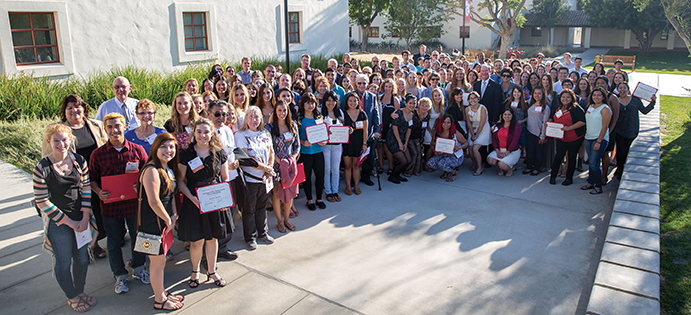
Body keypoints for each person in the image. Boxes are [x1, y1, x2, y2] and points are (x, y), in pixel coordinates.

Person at [34, 124, 96, 312]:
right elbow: (42, 201)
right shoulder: (42, 168)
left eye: (64, 140)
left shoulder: (79, 161)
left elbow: (85, 189)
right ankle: (71, 295)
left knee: (82, 259)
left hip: (80, 218)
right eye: (56, 141)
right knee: (63, 261)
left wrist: (85, 217)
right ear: (49, 142)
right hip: (59, 223)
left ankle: (79, 291)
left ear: (70, 140)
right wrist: (69, 222)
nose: (61, 144)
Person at [41, 94, 108, 259]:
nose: (74, 110)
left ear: (83, 108)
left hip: (97, 177)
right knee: (83, 211)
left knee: (99, 212)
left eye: (77, 106)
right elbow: (46, 157)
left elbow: (106, 146)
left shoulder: (96, 125)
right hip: (74, 180)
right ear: (64, 111)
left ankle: (96, 239)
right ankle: (91, 246)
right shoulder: (57, 130)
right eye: (69, 107)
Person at [89, 113, 149, 294]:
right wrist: (99, 192)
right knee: (114, 243)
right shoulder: (98, 154)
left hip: (133, 205)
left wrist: (141, 185)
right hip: (110, 207)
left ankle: (139, 269)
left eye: (117, 126)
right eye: (110, 127)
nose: (114, 130)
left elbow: (147, 173)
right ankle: (120, 276)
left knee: (138, 238)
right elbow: (92, 179)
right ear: (105, 130)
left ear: (124, 126)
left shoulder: (137, 150)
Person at [177, 118, 233, 287]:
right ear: (194, 133)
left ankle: (211, 270)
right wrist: (191, 198)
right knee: (197, 241)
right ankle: (195, 272)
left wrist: (224, 199)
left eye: (206, 132)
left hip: (214, 201)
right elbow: (180, 181)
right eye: (199, 132)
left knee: (213, 239)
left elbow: (225, 179)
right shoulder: (186, 154)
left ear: (212, 133)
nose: (203, 135)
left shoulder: (219, 153)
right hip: (195, 201)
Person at [137, 133, 184, 310]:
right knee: (156, 264)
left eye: (171, 147)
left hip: (164, 223)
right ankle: (159, 300)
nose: (168, 151)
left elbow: (170, 194)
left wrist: (173, 215)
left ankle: (162, 293)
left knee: (161, 262)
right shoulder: (151, 170)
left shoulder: (167, 168)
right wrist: (168, 219)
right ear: (155, 148)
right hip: (150, 226)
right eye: (163, 146)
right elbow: (154, 201)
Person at [235, 106, 276, 250]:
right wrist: (265, 169)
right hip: (250, 179)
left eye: (257, 117)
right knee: (249, 209)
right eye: (251, 117)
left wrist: (268, 169)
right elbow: (246, 158)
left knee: (262, 207)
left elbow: (271, 152)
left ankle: (263, 233)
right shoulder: (240, 135)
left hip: (264, 179)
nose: (254, 120)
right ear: (246, 118)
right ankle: (250, 237)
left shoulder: (265, 133)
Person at [206, 100, 241, 261]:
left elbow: (230, 152)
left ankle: (223, 247)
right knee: (213, 220)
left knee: (230, 214)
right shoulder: (205, 132)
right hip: (212, 182)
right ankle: (208, 255)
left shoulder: (227, 130)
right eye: (217, 114)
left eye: (224, 114)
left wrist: (233, 164)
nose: (221, 117)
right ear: (209, 114)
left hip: (229, 179)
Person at [266, 100, 300, 232]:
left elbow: (297, 146)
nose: (282, 113)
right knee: (276, 194)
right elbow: (268, 148)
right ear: (275, 111)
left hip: (290, 166)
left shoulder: (293, 126)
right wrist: (280, 162)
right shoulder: (269, 128)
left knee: (289, 193)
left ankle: (287, 220)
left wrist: (292, 159)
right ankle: (279, 221)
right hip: (276, 166)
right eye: (279, 110)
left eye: (284, 110)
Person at [612, 82, 656, 179]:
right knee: (620, 151)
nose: (622, 90)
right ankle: (619, 169)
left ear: (628, 89)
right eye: (620, 88)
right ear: (617, 90)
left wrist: (652, 102)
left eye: (624, 88)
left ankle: (623, 167)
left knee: (627, 150)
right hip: (619, 130)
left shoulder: (635, 100)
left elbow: (644, 111)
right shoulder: (615, 101)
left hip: (632, 129)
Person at [348, 74, 381, 187]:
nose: (362, 85)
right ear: (355, 83)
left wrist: (377, 130)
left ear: (368, 84)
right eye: (359, 83)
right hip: (354, 134)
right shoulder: (349, 96)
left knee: (369, 157)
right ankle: (353, 179)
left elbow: (376, 114)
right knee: (354, 157)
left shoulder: (372, 96)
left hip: (369, 132)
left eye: (364, 83)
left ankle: (366, 177)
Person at [549, 90, 586, 186]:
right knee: (558, 156)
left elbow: (582, 121)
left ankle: (569, 178)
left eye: (568, 97)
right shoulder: (557, 107)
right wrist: (549, 124)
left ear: (572, 98)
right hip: (561, 137)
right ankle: (553, 176)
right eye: (563, 97)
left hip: (574, 137)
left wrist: (570, 128)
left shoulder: (576, 109)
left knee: (572, 157)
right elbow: (551, 118)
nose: (565, 99)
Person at [297, 93, 327, 210]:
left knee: (320, 176)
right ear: (303, 104)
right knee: (307, 177)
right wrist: (302, 142)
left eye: (312, 103)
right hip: (305, 153)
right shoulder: (299, 118)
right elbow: (295, 137)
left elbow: (323, 135)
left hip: (318, 151)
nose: (310, 105)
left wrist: (323, 142)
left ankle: (319, 198)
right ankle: (309, 200)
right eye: (307, 103)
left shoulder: (319, 118)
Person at [582, 87, 612, 194]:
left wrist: (599, 141)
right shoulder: (590, 107)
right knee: (591, 163)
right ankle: (590, 182)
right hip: (588, 137)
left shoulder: (605, 109)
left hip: (599, 139)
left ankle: (598, 186)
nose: (596, 97)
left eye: (599, 95)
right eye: (594, 95)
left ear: (603, 97)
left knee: (594, 164)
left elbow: (605, 127)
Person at [426, 114, 469, 182]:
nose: (446, 124)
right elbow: (432, 144)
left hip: (456, 156)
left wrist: (460, 147)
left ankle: (453, 172)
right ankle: (446, 170)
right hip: (443, 154)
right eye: (444, 122)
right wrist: (434, 151)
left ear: (451, 123)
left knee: (441, 163)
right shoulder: (437, 132)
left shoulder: (455, 133)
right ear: (441, 123)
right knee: (430, 163)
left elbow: (466, 143)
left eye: (448, 122)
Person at [342, 93, 368, 195]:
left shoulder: (362, 114)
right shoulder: (343, 114)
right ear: (347, 102)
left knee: (356, 166)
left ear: (358, 102)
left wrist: (364, 143)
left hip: (358, 143)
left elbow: (365, 130)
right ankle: (348, 187)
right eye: (350, 101)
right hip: (347, 143)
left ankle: (356, 186)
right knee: (347, 166)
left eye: (355, 101)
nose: (352, 103)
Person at [321, 91, 344, 202]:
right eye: (328, 100)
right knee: (327, 168)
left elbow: (344, 129)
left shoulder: (340, 113)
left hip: (337, 145)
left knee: (335, 169)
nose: (331, 103)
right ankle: (328, 191)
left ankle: (335, 190)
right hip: (325, 145)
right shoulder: (321, 114)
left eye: (333, 100)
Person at [386, 94, 413, 184]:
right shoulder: (399, 113)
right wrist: (400, 143)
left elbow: (409, 129)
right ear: (405, 103)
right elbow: (394, 128)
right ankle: (392, 176)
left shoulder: (412, 115)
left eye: (414, 103)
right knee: (403, 161)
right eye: (410, 103)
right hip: (393, 138)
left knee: (408, 160)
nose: (412, 105)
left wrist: (405, 143)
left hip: (402, 138)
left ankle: (397, 174)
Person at [523, 86, 551, 176]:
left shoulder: (545, 108)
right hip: (529, 131)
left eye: (539, 93)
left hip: (539, 133)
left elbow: (544, 122)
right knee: (530, 151)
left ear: (543, 95)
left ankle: (537, 168)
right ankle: (529, 167)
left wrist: (542, 135)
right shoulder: (531, 104)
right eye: (535, 93)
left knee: (539, 152)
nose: (537, 95)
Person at [487, 109, 522, 177]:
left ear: (512, 116)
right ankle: (502, 167)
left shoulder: (516, 126)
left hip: (512, 151)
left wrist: (506, 153)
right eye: (505, 114)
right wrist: (497, 152)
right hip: (500, 149)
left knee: (502, 164)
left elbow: (515, 141)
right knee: (490, 160)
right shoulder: (498, 125)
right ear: (502, 116)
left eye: (509, 114)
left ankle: (510, 167)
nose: (507, 116)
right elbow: (494, 139)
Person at [465, 92, 491, 176]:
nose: (473, 100)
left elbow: (482, 123)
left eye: (475, 98)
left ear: (478, 99)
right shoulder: (467, 109)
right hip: (473, 129)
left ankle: (480, 167)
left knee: (475, 148)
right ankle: (474, 163)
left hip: (483, 130)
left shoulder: (482, 108)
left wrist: (476, 135)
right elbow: (469, 123)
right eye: (471, 98)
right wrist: (472, 134)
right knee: (470, 149)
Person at [378, 79, 400, 175]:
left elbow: (398, 115)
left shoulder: (395, 99)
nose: (388, 88)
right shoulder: (379, 97)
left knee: (387, 148)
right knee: (379, 146)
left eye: (390, 86)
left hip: (390, 127)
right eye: (386, 86)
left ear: (393, 88)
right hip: (381, 125)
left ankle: (391, 166)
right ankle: (381, 166)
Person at [406, 96, 429, 177]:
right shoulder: (413, 113)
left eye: (426, 106)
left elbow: (423, 130)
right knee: (414, 153)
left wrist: (421, 142)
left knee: (419, 153)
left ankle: (417, 170)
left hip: (418, 139)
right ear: (419, 105)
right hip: (409, 138)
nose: (424, 108)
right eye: (422, 105)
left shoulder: (427, 116)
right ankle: (408, 171)